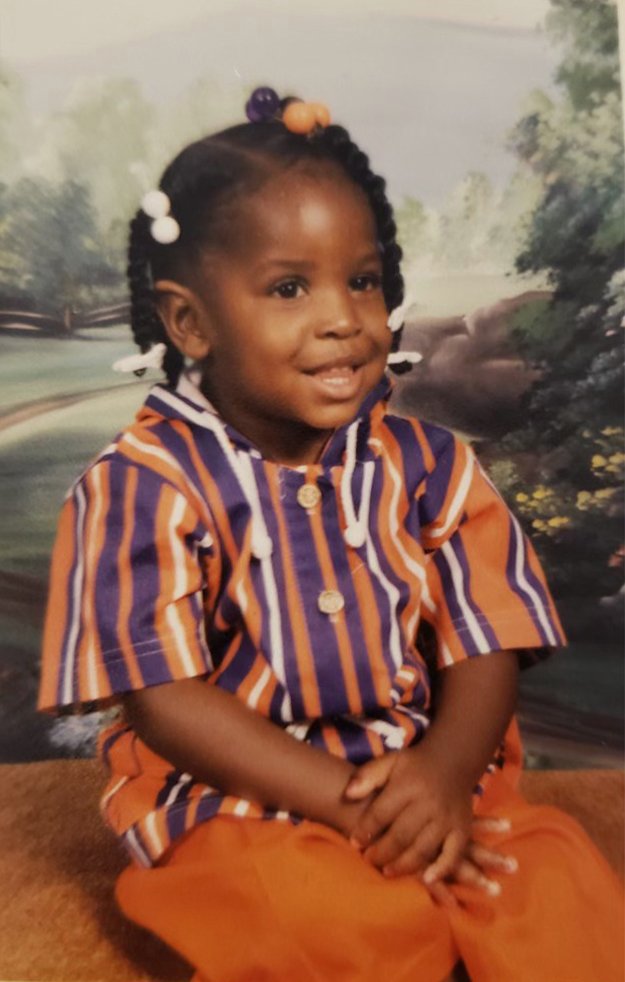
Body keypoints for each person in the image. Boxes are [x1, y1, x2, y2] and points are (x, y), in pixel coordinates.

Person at [39, 87, 623, 982]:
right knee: (307, 917)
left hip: (420, 773)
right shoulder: (141, 486)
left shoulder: (428, 465)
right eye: (288, 288)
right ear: (190, 321)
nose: (343, 317)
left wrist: (440, 777)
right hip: (234, 798)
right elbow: (166, 699)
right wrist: (350, 810)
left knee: (553, 885)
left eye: (362, 280)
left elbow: (486, 639)